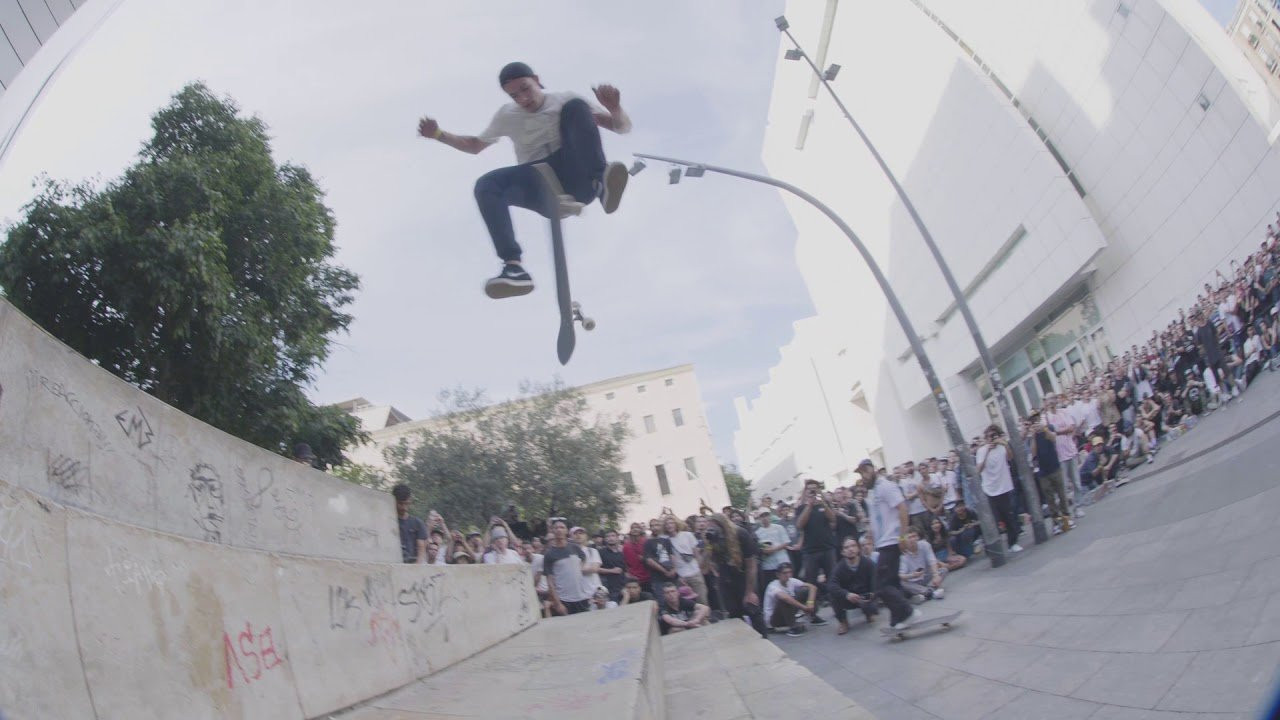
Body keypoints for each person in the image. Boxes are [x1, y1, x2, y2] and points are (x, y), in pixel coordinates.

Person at [417, 62, 632, 297]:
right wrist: (439, 135)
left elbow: (620, 127)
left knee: (576, 107)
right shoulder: (506, 115)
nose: (523, 98)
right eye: (514, 95)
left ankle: (602, 183)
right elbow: (474, 146)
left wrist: (615, 108)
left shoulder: (563, 99)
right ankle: (513, 268)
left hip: (577, 177)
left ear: (537, 80)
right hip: (538, 183)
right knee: (486, 185)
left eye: (525, 88)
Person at [863, 459, 920, 630]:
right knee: (893, 582)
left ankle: (908, 612)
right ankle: (897, 619)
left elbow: (902, 508)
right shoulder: (872, 493)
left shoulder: (886, 486)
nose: (863, 477)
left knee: (881, 585)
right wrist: (871, 537)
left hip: (892, 540)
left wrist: (902, 537)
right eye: (860, 474)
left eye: (864, 472)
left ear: (872, 470)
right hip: (883, 543)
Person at [705, 513, 767, 638]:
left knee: (752, 609)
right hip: (726, 579)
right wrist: (708, 544)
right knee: (734, 614)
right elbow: (704, 566)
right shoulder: (713, 540)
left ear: (722, 525)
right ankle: (745, 642)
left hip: (744, 577)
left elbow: (752, 564)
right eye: (709, 527)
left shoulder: (740, 534)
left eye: (714, 527)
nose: (712, 530)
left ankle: (764, 639)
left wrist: (750, 592)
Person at [976, 425, 1023, 553]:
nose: (991, 439)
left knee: (1009, 517)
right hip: (989, 490)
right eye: (988, 436)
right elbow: (978, 470)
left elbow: (1010, 457)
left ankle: (1012, 543)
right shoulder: (981, 451)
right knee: (993, 520)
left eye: (993, 436)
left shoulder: (1002, 447)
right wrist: (987, 451)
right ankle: (992, 547)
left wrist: (1005, 444)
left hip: (1004, 487)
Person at [1029, 412, 1072, 534]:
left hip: (1054, 466)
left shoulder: (1049, 427)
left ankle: (1066, 518)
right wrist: (1033, 436)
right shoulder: (1033, 435)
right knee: (1050, 498)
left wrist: (1044, 429)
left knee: (1062, 494)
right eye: (1033, 420)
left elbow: (1053, 438)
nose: (1035, 422)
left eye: (1037, 419)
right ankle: (1056, 522)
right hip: (1043, 471)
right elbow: (1033, 453)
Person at [795, 479, 837, 602]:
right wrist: (809, 506)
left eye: (815, 488)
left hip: (828, 548)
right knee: (811, 583)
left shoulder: (824, 504)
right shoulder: (801, 507)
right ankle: (812, 612)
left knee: (833, 579)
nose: (812, 491)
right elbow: (799, 525)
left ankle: (838, 608)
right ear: (805, 491)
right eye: (810, 489)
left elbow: (833, 518)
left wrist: (822, 503)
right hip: (810, 551)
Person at [827, 537, 878, 634]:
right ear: (842, 552)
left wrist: (873, 593)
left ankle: (869, 613)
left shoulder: (868, 563)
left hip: (865, 596)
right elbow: (831, 585)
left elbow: (876, 581)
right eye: (847, 547)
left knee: (872, 601)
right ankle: (843, 622)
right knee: (832, 595)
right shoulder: (839, 567)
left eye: (853, 546)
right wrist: (847, 594)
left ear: (858, 548)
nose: (850, 549)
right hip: (849, 598)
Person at [542, 518, 591, 615]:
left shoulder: (575, 548)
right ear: (552, 531)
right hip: (564, 600)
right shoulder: (549, 554)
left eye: (562, 527)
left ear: (567, 531)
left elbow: (583, 558)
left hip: (582, 598)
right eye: (556, 528)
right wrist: (558, 603)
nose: (559, 530)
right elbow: (550, 582)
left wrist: (577, 569)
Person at [762, 563, 825, 637]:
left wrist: (810, 603)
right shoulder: (772, 586)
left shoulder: (791, 580)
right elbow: (785, 598)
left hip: (787, 613)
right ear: (778, 575)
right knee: (785, 599)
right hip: (773, 620)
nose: (788, 575)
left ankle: (813, 617)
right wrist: (804, 607)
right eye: (784, 573)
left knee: (805, 590)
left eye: (789, 572)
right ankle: (793, 627)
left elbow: (812, 587)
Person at [663, 516, 708, 605]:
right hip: (681, 576)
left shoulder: (687, 535)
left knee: (702, 600)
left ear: (676, 524)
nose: (669, 525)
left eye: (671, 523)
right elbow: (670, 560)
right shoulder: (665, 541)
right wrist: (678, 576)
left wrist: (700, 568)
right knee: (688, 603)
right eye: (667, 524)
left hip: (695, 572)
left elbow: (696, 553)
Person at [899, 529, 946, 602]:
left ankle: (925, 593)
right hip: (913, 582)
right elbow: (901, 575)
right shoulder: (903, 555)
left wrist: (935, 575)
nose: (912, 539)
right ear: (905, 541)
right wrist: (912, 575)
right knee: (902, 583)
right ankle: (930, 592)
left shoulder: (924, 545)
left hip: (926, 576)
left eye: (914, 536)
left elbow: (932, 560)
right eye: (909, 537)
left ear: (918, 537)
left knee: (943, 570)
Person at [754, 508, 792, 594]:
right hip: (768, 565)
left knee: (787, 585)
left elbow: (786, 542)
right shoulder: (757, 533)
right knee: (773, 588)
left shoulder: (779, 527)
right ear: (759, 518)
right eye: (762, 516)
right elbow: (758, 549)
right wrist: (764, 551)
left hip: (782, 561)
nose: (764, 518)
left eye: (766, 515)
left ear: (770, 516)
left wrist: (774, 549)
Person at [392, 484, 428, 564]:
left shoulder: (417, 523)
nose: (404, 507)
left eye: (406, 503)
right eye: (400, 503)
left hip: (412, 565)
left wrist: (416, 568)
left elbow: (421, 549)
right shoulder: (388, 522)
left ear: (410, 501)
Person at [596, 529, 627, 602]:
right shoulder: (600, 552)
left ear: (617, 538)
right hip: (608, 587)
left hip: (621, 586)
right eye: (608, 536)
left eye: (613, 536)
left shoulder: (621, 553)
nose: (610, 538)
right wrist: (612, 571)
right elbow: (596, 569)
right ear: (605, 539)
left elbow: (624, 570)